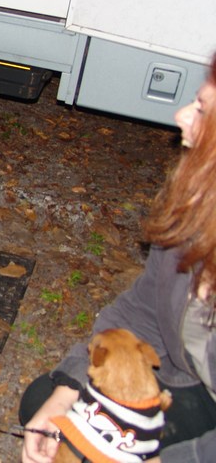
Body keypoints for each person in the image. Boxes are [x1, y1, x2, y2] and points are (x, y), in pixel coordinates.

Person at [20, 53, 216, 463]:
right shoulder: (197, 209)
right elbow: (143, 310)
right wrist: (71, 389)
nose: (181, 115)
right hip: (189, 379)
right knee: (46, 405)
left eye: (202, 109)